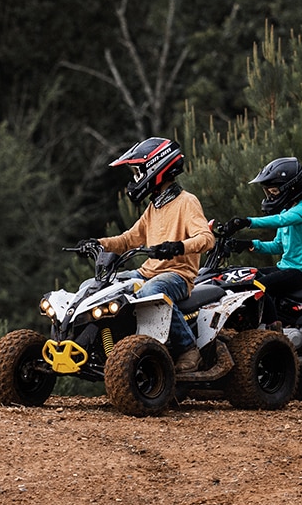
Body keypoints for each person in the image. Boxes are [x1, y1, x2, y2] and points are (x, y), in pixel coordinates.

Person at [89, 137, 214, 373]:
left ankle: (189, 349)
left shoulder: (187, 202)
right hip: (146, 272)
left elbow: (207, 239)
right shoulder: (154, 206)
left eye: (138, 172)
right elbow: (128, 239)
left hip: (177, 275)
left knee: (151, 292)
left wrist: (178, 246)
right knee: (99, 287)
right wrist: (98, 243)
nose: (135, 179)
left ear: (157, 168)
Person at [220, 157, 302, 328]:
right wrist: (248, 244)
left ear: (291, 188)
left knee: (258, 285)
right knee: (247, 277)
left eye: (273, 192)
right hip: (285, 267)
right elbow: (277, 246)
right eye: (268, 192)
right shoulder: (288, 210)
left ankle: (274, 328)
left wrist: (247, 222)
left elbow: (279, 220)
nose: (269, 196)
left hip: (301, 271)